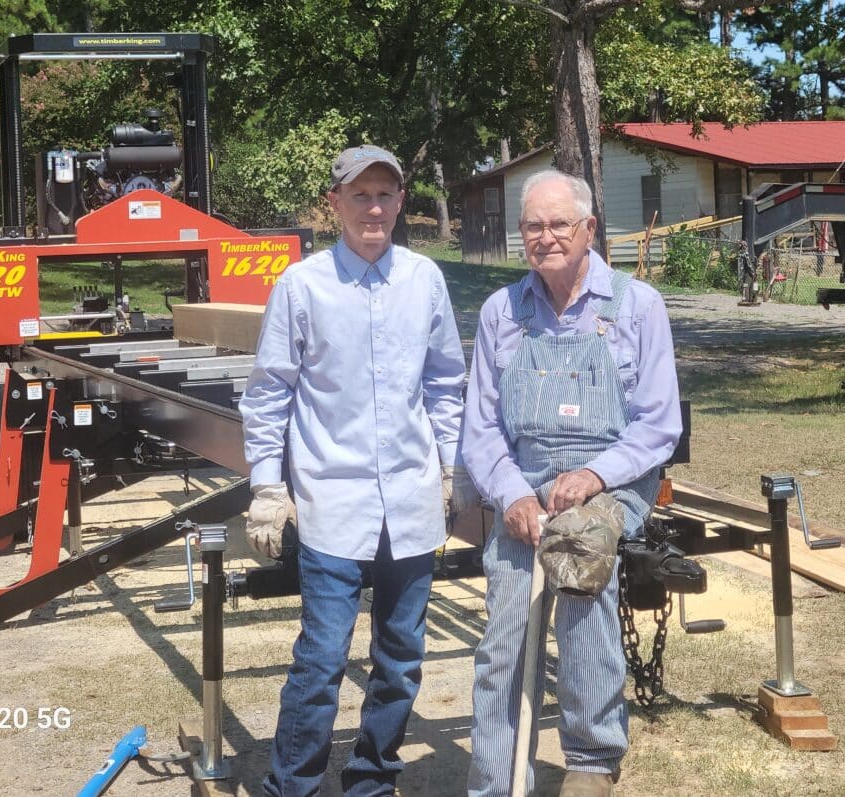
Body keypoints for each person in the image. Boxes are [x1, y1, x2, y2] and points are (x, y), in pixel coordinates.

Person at [239, 144, 477, 797]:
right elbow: (269, 393)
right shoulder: (303, 286)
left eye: (385, 195)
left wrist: (451, 469)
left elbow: (445, 385)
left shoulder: (424, 279)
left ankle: (372, 779)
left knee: (400, 661)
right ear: (334, 204)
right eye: (360, 196)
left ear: (402, 202)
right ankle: (293, 783)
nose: (374, 208)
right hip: (330, 506)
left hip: (410, 501)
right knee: (320, 659)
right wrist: (267, 484)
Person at [462, 169, 682, 797]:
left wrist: (590, 476)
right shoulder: (502, 312)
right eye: (534, 225)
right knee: (506, 633)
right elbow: (480, 429)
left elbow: (658, 426)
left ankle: (591, 759)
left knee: (583, 564)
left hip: (614, 479)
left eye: (561, 223)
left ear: (589, 228)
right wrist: (512, 495)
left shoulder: (637, 306)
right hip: (525, 488)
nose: (547, 236)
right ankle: (499, 778)